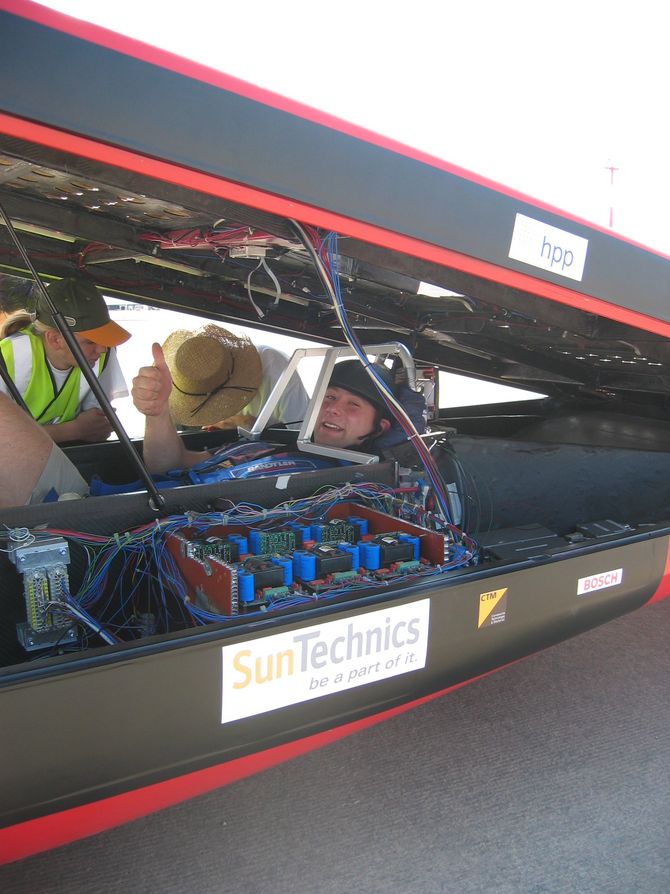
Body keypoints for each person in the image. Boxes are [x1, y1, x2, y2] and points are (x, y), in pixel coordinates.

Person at [132, 324, 310, 472]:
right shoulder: (175, 388)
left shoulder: (274, 367)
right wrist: (156, 414)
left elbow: (305, 440)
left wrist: (253, 426)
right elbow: (166, 466)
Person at [0, 277, 130, 444]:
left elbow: (97, 429)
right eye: (90, 341)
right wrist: (74, 430)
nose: (102, 349)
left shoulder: (104, 353)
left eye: (103, 338)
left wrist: (90, 429)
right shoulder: (8, 357)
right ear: (55, 340)